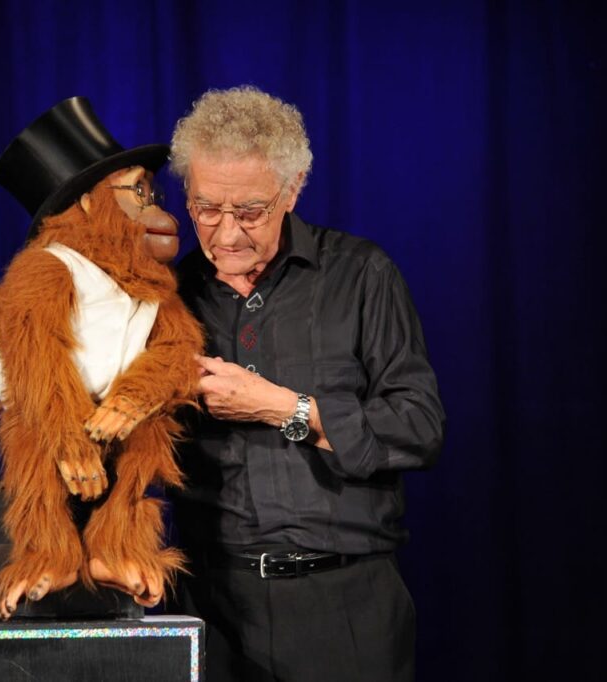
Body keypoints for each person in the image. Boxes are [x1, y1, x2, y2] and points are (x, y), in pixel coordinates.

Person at [166, 85, 446, 682]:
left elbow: (419, 427)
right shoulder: (170, 295)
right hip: (212, 604)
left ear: (292, 191)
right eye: (206, 209)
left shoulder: (361, 275)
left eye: (250, 211)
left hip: (343, 604)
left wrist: (283, 408)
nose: (226, 234)